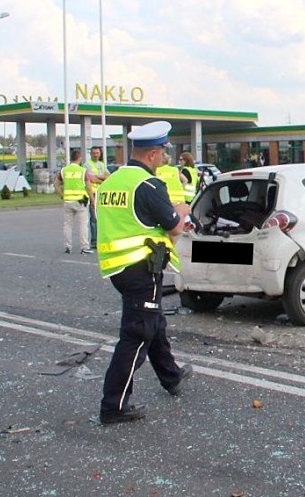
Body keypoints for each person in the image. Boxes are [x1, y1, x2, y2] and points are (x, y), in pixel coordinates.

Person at [95, 121, 194, 425]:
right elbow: (174, 225)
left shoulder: (112, 181)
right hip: (142, 267)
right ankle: (113, 406)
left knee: (154, 322)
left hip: (118, 267)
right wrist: (183, 210)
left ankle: (171, 376)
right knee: (138, 334)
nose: (165, 157)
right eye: (163, 152)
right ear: (152, 154)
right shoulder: (148, 185)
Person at [53, 149, 94, 255]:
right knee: (83, 225)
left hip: (68, 201)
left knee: (67, 225)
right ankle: (84, 247)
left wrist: (62, 195)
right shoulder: (82, 171)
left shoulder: (64, 170)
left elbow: (56, 184)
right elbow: (89, 188)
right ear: (80, 158)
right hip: (80, 201)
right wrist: (93, 200)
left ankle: (67, 247)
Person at [85, 146, 111, 249]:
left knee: (103, 217)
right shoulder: (87, 165)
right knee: (94, 218)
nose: (96, 155)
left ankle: (102, 239)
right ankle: (94, 241)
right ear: (91, 154)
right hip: (93, 192)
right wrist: (101, 178)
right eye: (94, 153)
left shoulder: (101, 164)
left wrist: (98, 177)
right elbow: (91, 179)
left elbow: (108, 176)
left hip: (102, 193)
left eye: (97, 153)